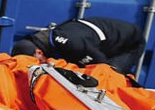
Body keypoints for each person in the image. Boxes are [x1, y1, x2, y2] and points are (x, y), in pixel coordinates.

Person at [10, 16, 146, 75]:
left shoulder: (70, 43)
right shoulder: (45, 40)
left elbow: (100, 64)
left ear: (39, 53)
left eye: (35, 62)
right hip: (100, 40)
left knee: (106, 75)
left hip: (129, 42)